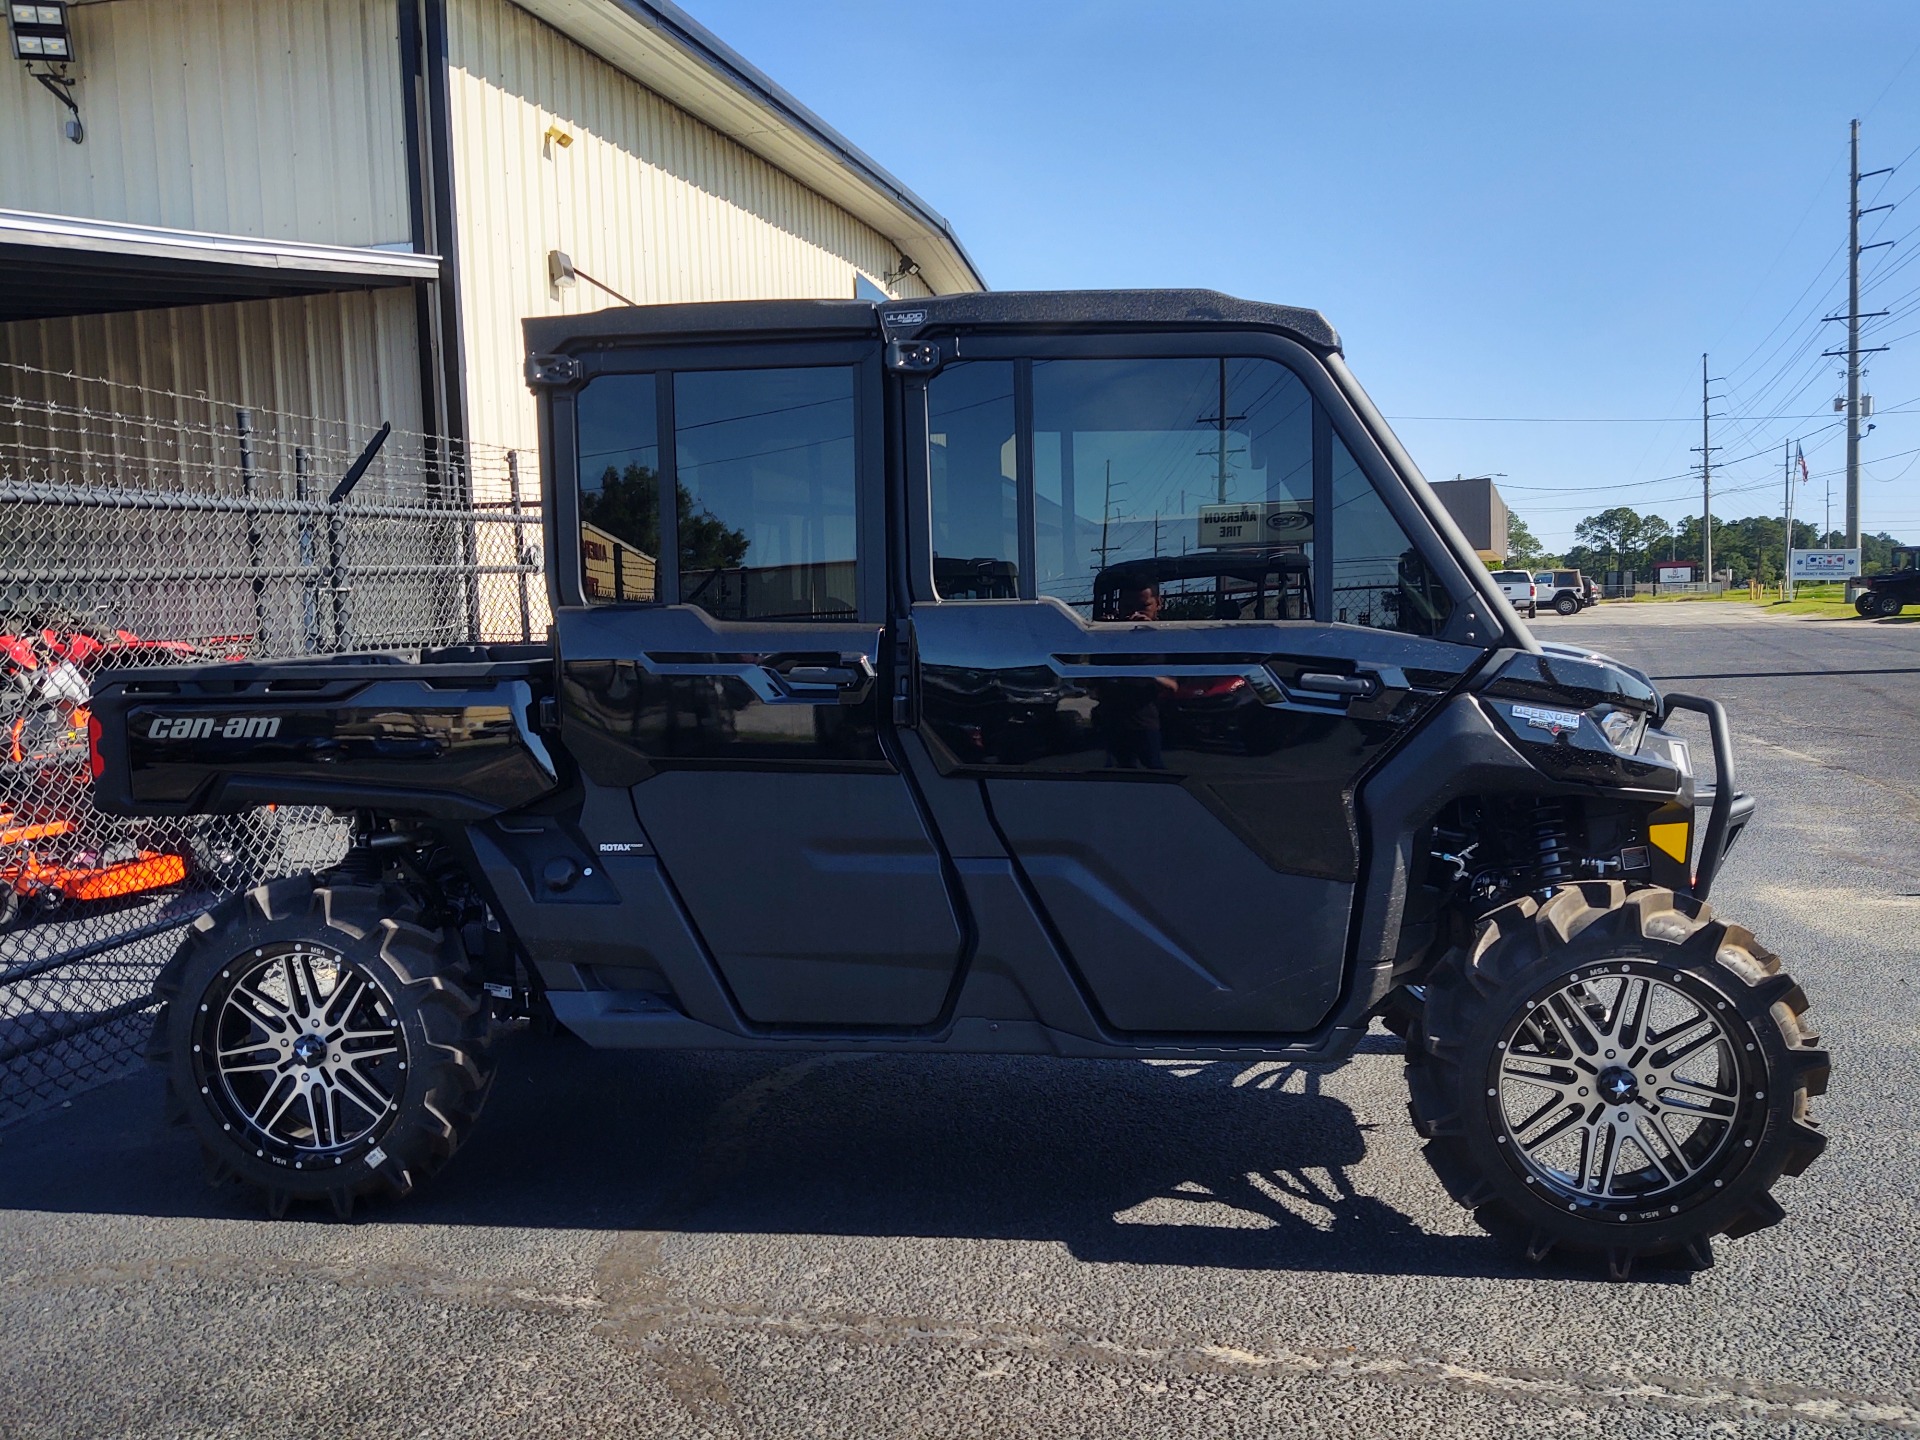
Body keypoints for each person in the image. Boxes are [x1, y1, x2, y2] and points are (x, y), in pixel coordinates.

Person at [1095, 582, 1176, 769]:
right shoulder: (1111, 638)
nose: (1135, 614)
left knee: (1157, 776)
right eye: (1128, 608)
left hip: (1147, 724)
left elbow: (1173, 685)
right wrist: (1102, 636)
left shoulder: (1169, 638)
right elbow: (1089, 681)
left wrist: (1149, 639)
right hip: (1112, 723)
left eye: (1144, 607)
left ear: (1158, 603)